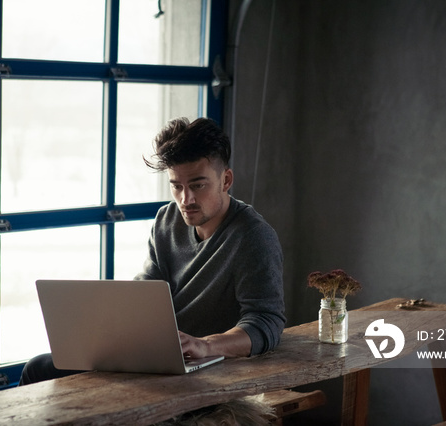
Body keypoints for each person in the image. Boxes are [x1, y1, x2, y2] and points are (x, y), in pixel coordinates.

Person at [19, 117, 285, 385]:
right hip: (157, 357)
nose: (186, 199)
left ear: (225, 180)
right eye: (176, 186)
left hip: (208, 366)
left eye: (198, 185)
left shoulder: (253, 236)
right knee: (38, 368)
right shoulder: (167, 219)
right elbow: (147, 291)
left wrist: (205, 345)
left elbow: (266, 322)